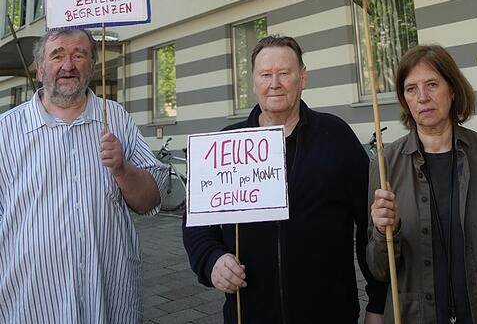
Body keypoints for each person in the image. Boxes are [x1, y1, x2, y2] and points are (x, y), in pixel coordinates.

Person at [182, 35, 387, 323]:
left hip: (329, 313)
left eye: (284, 73)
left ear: (302, 77)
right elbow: (196, 221)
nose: (274, 83)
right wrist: (211, 260)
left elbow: (371, 224)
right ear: (253, 82)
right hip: (248, 314)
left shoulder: (336, 136)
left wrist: (377, 303)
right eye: (265, 74)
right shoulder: (227, 145)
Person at [367, 44, 477, 324]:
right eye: (411, 89)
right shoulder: (385, 164)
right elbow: (379, 269)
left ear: (452, 90)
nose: (422, 97)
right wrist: (383, 231)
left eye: (432, 84)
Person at [0, 29, 166, 323]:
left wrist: (122, 168)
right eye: (57, 55)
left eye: (79, 54)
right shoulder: (6, 131)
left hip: (108, 298)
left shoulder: (115, 118)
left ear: (92, 66)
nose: (68, 65)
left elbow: (150, 200)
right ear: (39, 69)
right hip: (30, 303)